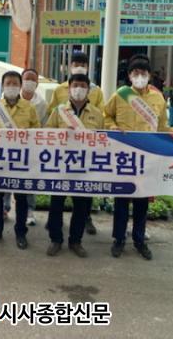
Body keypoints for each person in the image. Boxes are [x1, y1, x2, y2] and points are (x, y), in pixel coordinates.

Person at [104, 59, 173, 260]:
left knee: (142, 201)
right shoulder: (121, 95)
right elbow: (106, 115)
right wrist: (112, 127)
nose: (139, 77)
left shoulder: (158, 98)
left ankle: (139, 240)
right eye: (135, 73)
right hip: (124, 156)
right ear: (129, 76)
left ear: (149, 75)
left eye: (143, 73)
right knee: (121, 199)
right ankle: (119, 239)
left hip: (147, 157)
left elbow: (163, 127)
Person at [44, 74, 104, 258]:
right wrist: (62, 134)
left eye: (83, 86)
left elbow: (103, 140)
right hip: (61, 166)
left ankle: (75, 241)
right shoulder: (59, 111)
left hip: (84, 168)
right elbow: (46, 134)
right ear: (69, 88)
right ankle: (56, 240)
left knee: (82, 206)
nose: (79, 89)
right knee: (56, 204)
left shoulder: (97, 114)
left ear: (88, 89)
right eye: (75, 85)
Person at [0, 71, 40, 249]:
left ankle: (21, 233)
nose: (12, 86)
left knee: (21, 198)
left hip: (21, 161)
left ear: (20, 86)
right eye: (8, 83)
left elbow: (37, 131)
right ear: (2, 86)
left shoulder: (29, 108)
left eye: (15, 83)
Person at [3, 68, 47, 226]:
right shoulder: (4, 102)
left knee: (29, 180)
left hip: (29, 149)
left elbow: (41, 126)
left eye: (33, 79)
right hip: (7, 149)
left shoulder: (41, 104)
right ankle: (5, 207)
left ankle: (29, 210)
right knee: (6, 178)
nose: (29, 82)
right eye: (27, 78)